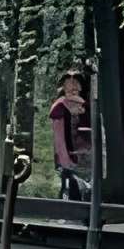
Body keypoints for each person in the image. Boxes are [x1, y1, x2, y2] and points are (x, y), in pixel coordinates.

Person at [49, 68, 95, 200]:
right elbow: (56, 122)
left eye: (76, 84)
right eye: (69, 85)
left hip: (85, 152)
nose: (73, 87)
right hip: (67, 152)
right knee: (70, 184)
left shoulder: (87, 105)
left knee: (86, 186)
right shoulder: (60, 104)